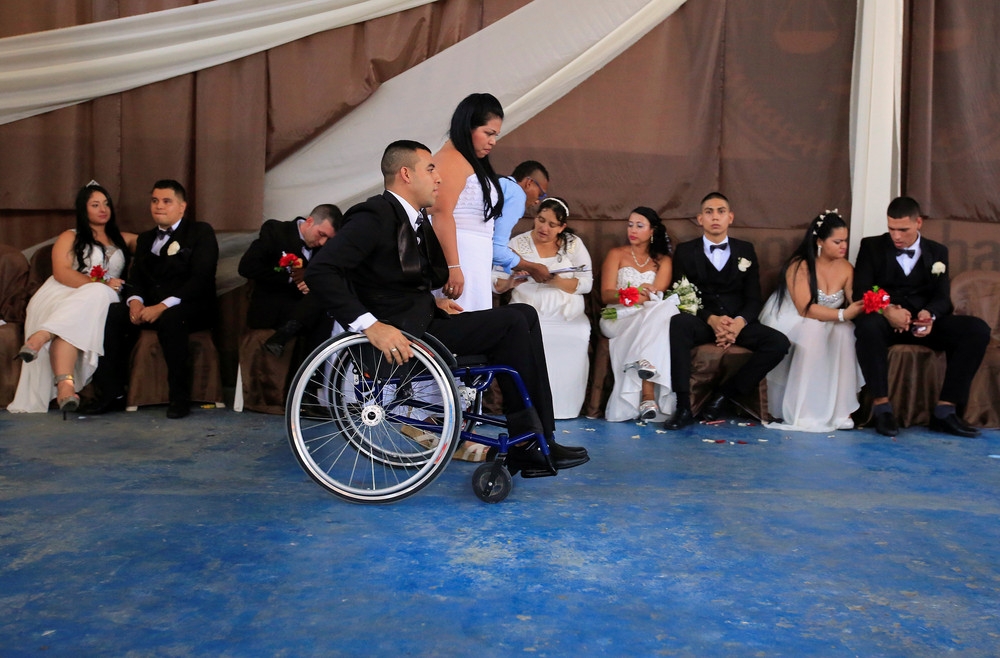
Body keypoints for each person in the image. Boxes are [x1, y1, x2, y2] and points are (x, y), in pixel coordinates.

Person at [305, 139, 589, 477]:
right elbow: (320, 271)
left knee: (524, 316)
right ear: (406, 174)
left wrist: (434, 301)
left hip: (423, 320)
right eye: (430, 169)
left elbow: (392, 282)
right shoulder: (373, 215)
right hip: (404, 335)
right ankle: (529, 443)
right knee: (514, 322)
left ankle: (539, 437)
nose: (438, 177)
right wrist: (370, 325)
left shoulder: (413, 219)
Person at [853, 196, 991, 437]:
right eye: (891, 229)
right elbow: (862, 290)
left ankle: (945, 410)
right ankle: (882, 408)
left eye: (903, 230)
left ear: (918, 223)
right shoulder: (871, 246)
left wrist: (930, 315)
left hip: (922, 325)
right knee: (867, 326)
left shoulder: (937, 252)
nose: (896, 236)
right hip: (886, 323)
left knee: (976, 330)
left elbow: (942, 297)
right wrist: (888, 310)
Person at [663, 192, 790, 430]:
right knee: (678, 323)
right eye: (709, 212)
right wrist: (710, 319)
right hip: (704, 322)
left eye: (721, 211)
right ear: (700, 219)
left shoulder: (746, 250)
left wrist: (739, 323)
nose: (715, 217)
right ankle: (683, 406)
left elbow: (754, 298)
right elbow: (681, 295)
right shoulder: (685, 251)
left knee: (778, 343)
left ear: (730, 217)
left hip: (737, 324)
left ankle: (724, 396)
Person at [9, 183, 135, 414]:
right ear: (83, 209)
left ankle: (61, 380)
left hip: (100, 299)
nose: (103, 209)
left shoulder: (123, 239)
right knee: (95, 296)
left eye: (106, 204)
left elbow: (157, 242)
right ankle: (63, 380)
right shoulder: (70, 236)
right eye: (95, 205)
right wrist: (102, 284)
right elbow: (61, 272)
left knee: (76, 320)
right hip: (64, 292)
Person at [118, 179, 219, 419]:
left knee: (172, 319)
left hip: (191, 306)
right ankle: (111, 393)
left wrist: (162, 306)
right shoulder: (145, 239)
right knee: (113, 314)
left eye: (166, 201)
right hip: (150, 307)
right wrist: (135, 301)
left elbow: (201, 278)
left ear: (182, 207)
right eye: (155, 201)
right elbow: (136, 278)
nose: (159, 206)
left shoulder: (200, 232)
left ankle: (179, 398)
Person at [759, 210, 865, 432]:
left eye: (845, 241)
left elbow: (853, 300)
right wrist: (842, 315)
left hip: (829, 321)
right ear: (820, 242)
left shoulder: (846, 268)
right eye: (837, 241)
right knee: (813, 330)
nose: (843, 246)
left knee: (846, 331)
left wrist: (871, 303)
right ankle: (805, 409)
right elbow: (805, 309)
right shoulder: (799, 266)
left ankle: (841, 410)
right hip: (795, 319)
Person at [496, 197, 593, 419]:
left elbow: (587, 283)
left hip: (567, 315)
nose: (544, 228)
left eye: (552, 224)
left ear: (562, 227)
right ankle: (530, 411)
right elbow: (496, 281)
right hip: (528, 313)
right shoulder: (517, 243)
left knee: (578, 334)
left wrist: (554, 280)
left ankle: (565, 409)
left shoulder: (573, 244)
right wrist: (511, 282)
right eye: (541, 220)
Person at [598, 207, 679, 422]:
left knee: (666, 309)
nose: (632, 230)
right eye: (630, 225)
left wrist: (644, 296)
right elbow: (606, 294)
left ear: (652, 231)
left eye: (639, 225)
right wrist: (631, 293)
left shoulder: (664, 261)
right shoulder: (616, 254)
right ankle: (648, 395)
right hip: (617, 316)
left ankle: (645, 386)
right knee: (657, 317)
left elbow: (655, 295)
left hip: (647, 315)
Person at [430, 92, 505, 311]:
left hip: (475, 255)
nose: (493, 141)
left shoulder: (466, 159)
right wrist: (453, 266)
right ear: (468, 126)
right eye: (488, 133)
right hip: (459, 253)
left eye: (496, 135)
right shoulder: (450, 159)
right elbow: (440, 214)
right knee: (462, 315)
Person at [237, 204, 342, 358]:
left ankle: (313, 364)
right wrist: (289, 277)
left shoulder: (325, 250)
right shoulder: (276, 231)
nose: (322, 242)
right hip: (273, 308)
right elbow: (247, 267)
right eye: (321, 234)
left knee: (327, 293)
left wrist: (310, 279)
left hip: (307, 312)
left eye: (328, 239)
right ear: (310, 221)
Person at [493, 160, 552, 283]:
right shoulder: (516, 194)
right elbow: (496, 249)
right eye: (540, 194)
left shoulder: (499, 183)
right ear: (529, 183)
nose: (538, 201)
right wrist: (531, 267)